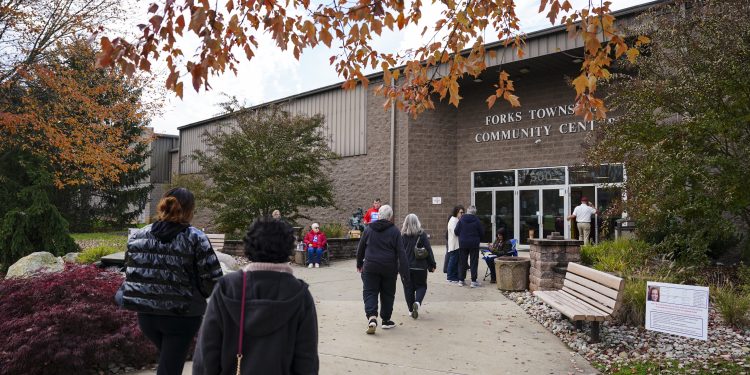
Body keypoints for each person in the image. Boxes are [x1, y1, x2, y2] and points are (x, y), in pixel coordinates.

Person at [193, 217, 319, 374]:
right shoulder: (300, 294)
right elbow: (306, 359)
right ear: (288, 249)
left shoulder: (228, 287)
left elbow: (207, 351)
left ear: (249, 246)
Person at [123, 187, 223, 375]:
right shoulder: (195, 237)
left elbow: (131, 271)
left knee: (168, 362)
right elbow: (213, 278)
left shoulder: (137, 235)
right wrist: (201, 295)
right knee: (170, 367)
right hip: (182, 315)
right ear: (190, 210)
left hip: (146, 315)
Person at [356, 204, 409, 334]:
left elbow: (361, 248)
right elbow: (401, 253)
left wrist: (359, 264)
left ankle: (372, 317)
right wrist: (405, 272)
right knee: (388, 294)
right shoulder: (395, 231)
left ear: (378, 215)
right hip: (389, 268)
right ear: (390, 217)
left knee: (370, 292)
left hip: (370, 266)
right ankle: (386, 320)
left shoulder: (369, 229)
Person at [400, 214, 437, 319]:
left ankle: (411, 310)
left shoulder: (402, 235)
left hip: (406, 268)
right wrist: (432, 265)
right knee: (421, 286)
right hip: (420, 267)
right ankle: (417, 302)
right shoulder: (422, 234)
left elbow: (398, 252)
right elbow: (428, 250)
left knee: (408, 288)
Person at [455, 205, 484, 288]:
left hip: (463, 243)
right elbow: (481, 233)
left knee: (462, 261)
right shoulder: (477, 220)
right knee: (474, 262)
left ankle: (461, 280)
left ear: (467, 211)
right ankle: (473, 281)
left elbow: (456, 231)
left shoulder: (461, 220)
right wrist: (478, 239)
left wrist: (462, 236)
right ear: (475, 213)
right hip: (474, 243)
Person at [446, 205, 464, 284]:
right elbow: (454, 232)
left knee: (455, 260)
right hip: (454, 244)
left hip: (456, 243)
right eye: (461, 212)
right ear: (456, 212)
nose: (462, 214)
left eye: (463, 212)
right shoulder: (453, 220)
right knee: (453, 260)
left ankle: (454, 276)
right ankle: (450, 276)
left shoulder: (456, 220)